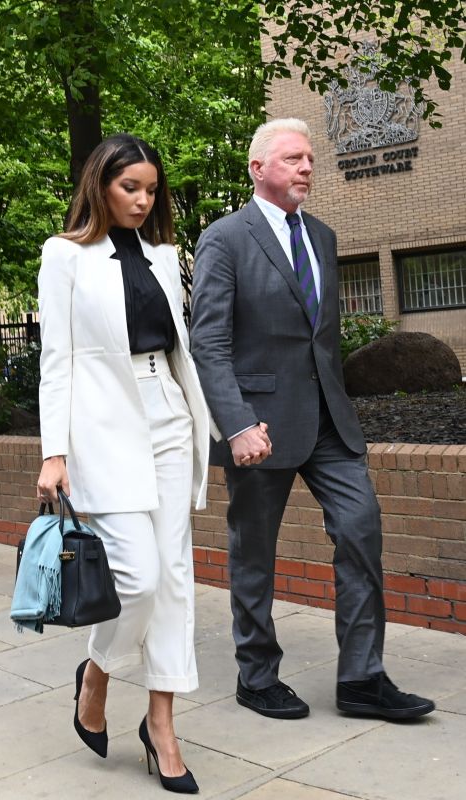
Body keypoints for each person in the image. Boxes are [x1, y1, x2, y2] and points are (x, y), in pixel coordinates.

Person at [190, 118, 435, 722]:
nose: (306, 168)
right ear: (257, 168)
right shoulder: (225, 238)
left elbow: (321, 337)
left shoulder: (322, 236)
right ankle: (258, 675)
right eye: (293, 159)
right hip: (259, 426)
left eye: (310, 160)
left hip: (330, 418)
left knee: (361, 531)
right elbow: (209, 343)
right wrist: (237, 422)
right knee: (255, 552)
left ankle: (362, 680)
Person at [36, 133, 218, 794]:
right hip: (103, 427)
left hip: (168, 416)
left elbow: (178, 348)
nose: (142, 200)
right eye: (128, 187)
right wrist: (53, 452)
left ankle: (161, 725)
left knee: (172, 579)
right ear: (100, 186)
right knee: (137, 578)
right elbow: (55, 359)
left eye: (149, 189)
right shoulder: (64, 257)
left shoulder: (165, 257)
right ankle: (99, 673)